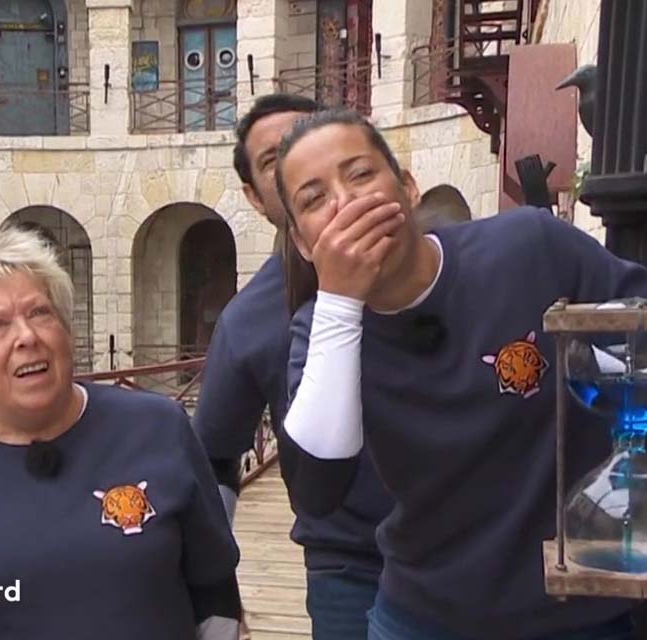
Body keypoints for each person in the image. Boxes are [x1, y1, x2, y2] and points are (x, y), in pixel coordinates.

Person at [275, 107, 647, 640]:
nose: (346, 202)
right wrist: (339, 301)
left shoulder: (528, 246)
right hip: (423, 617)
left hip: (576, 617)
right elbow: (317, 491)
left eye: (360, 175)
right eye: (314, 200)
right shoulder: (322, 332)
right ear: (305, 243)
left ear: (407, 187)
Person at [0, 226, 241, 639]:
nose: (27, 337)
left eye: (40, 313)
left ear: (68, 329)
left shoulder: (160, 429)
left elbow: (216, 596)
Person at [191, 93, 394, 639]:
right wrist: (211, 599)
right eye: (272, 161)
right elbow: (214, 455)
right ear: (257, 197)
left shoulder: (432, 264)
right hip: (349, 565)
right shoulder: (247, 320)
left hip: (464, 549)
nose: (296, 159)